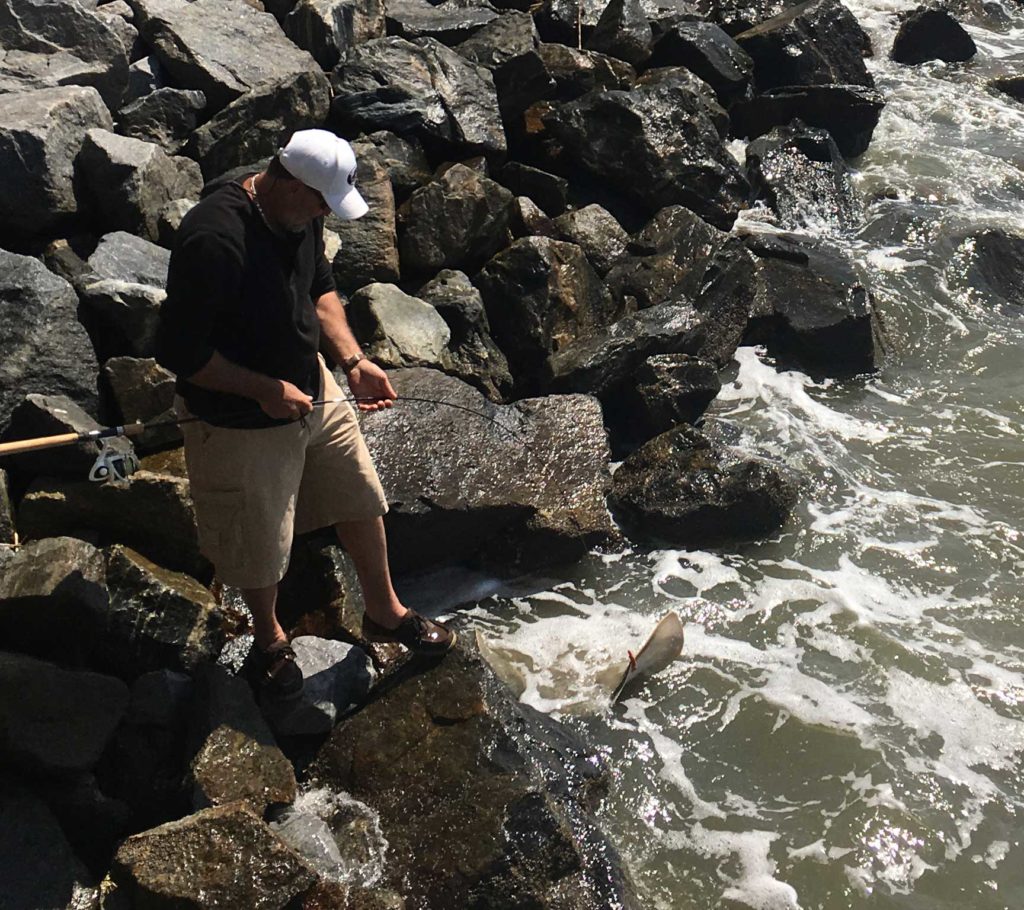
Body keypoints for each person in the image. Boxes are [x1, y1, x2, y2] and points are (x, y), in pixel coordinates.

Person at [155, 129, 456, 700]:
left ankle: (385, 611)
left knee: (361, 495)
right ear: (287, 181)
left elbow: (320, 289)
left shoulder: (300, 215)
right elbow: (180, 353)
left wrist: (353, 359)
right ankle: (269, 640)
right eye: (320, 202)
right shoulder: (214, 239)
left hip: (313, 389)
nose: (326, 213)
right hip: (237, 417)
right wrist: (264, 389)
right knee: (258, 542)